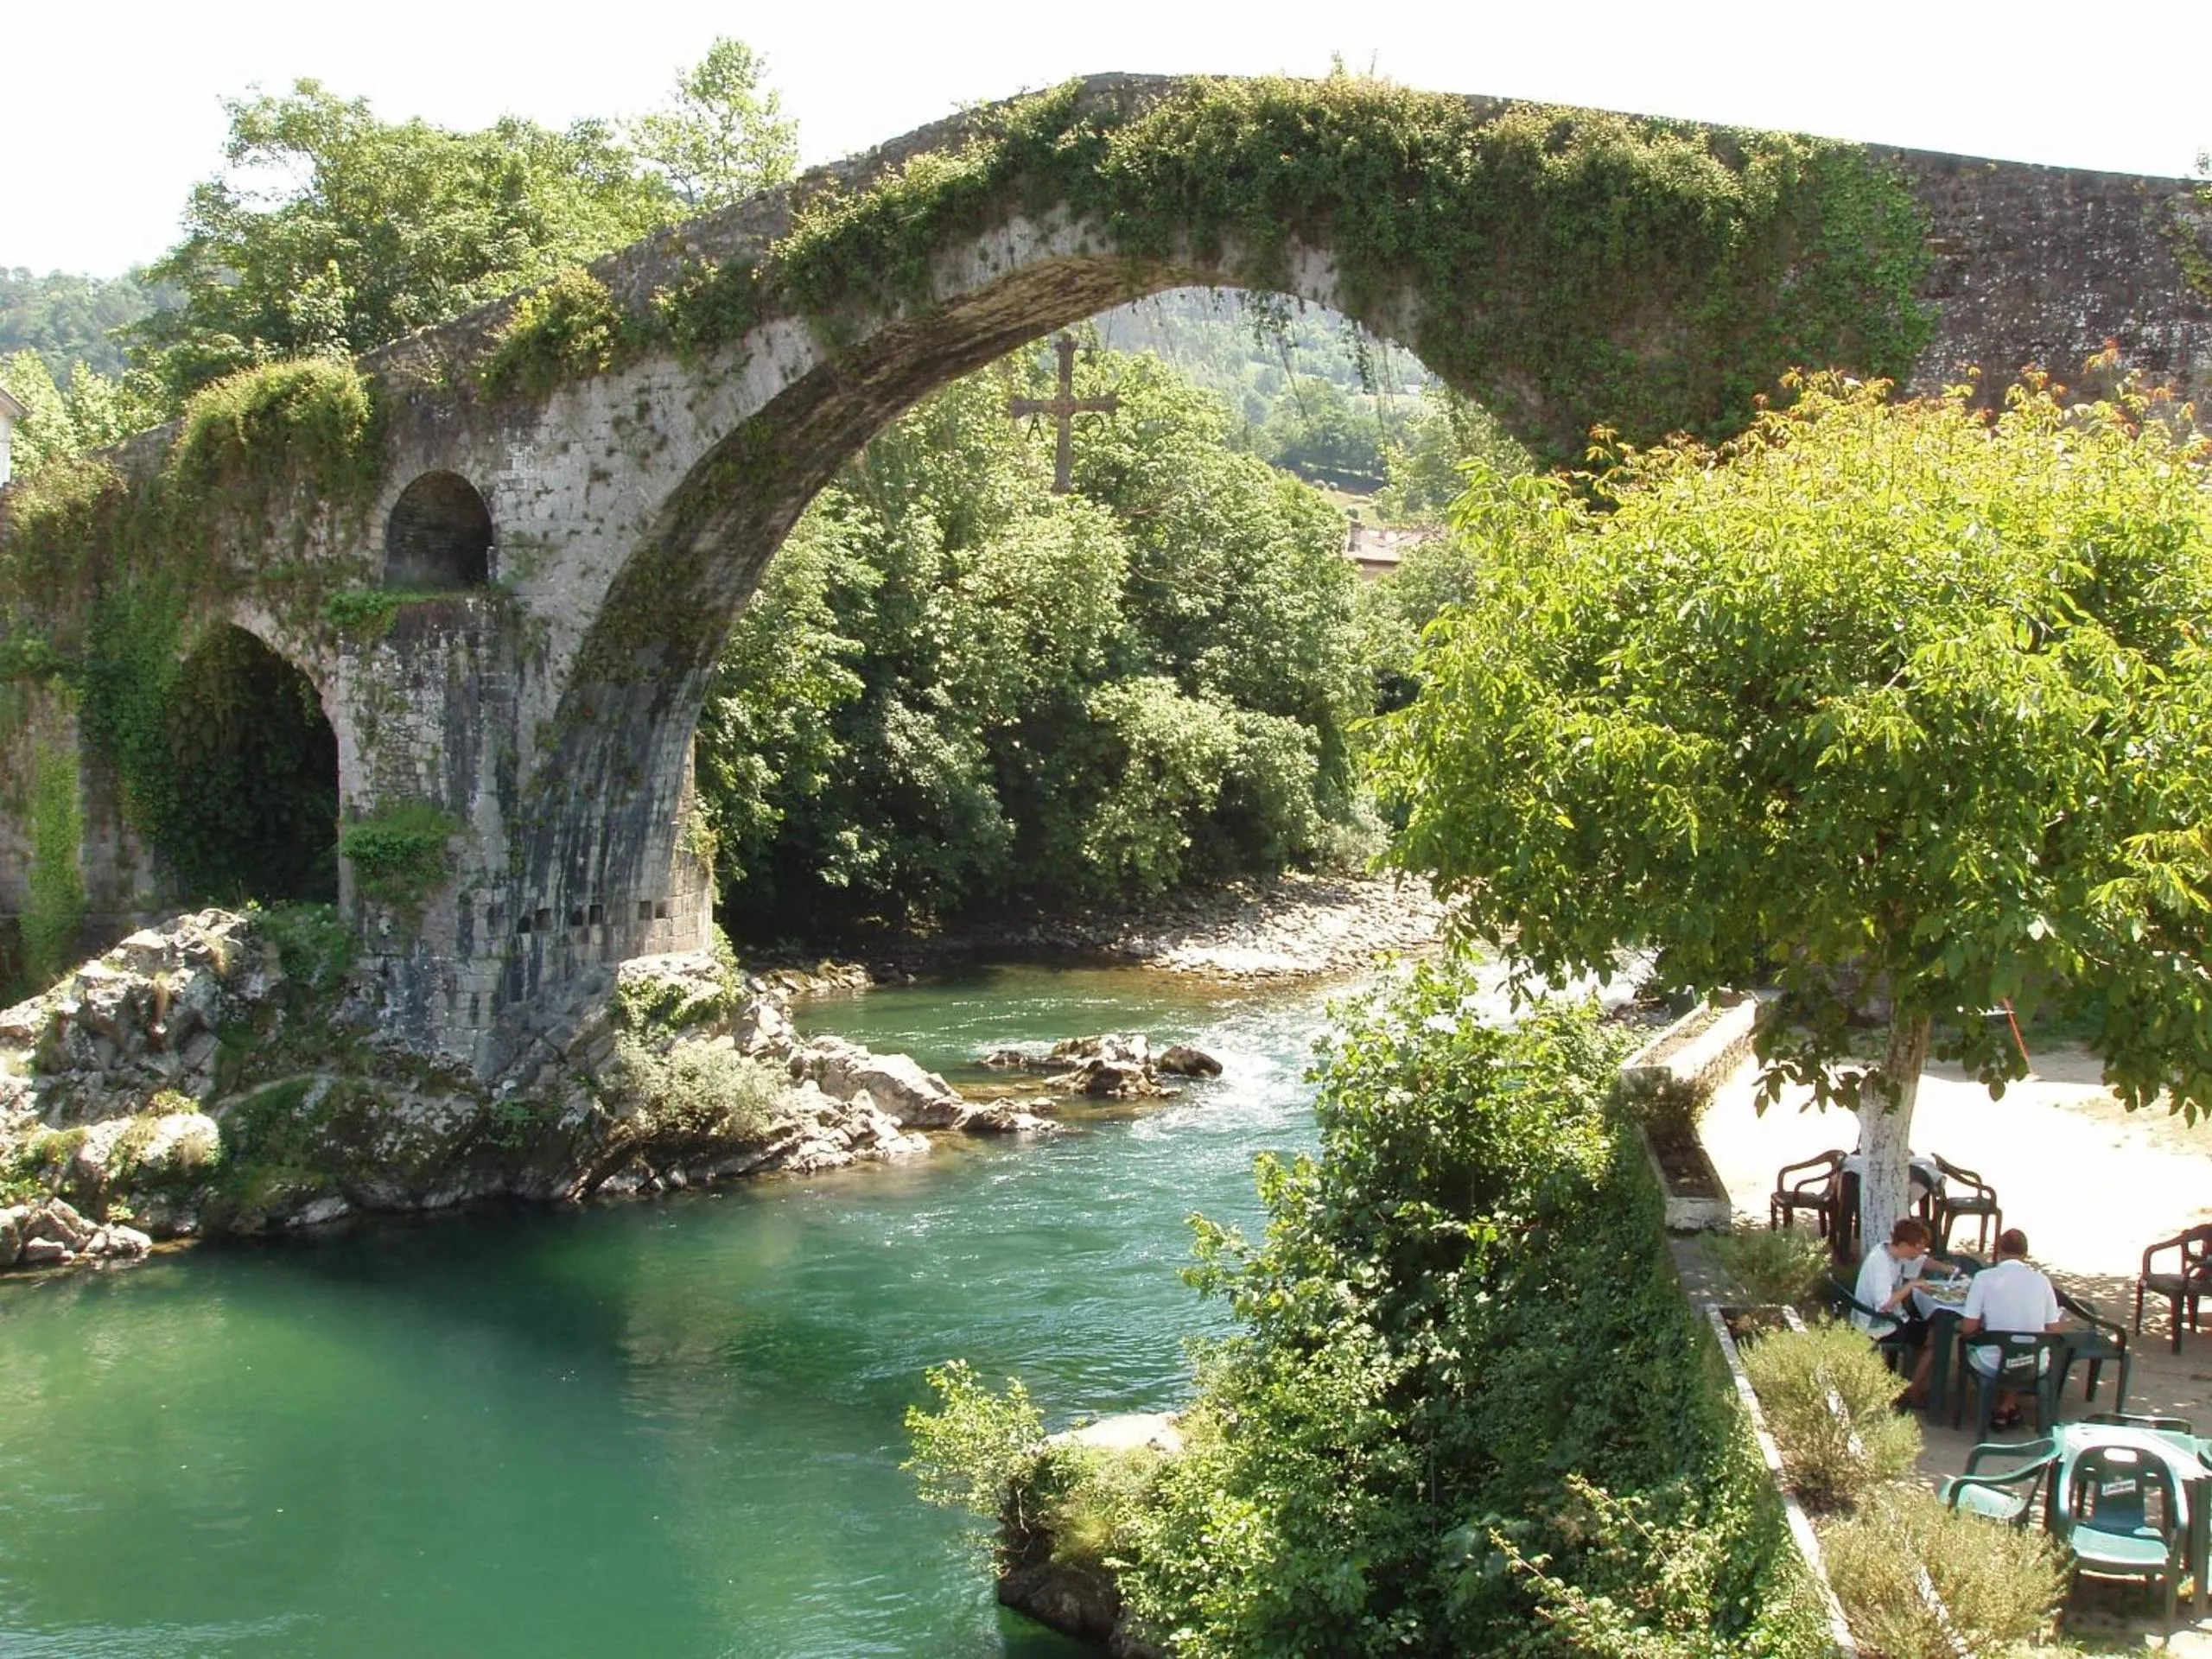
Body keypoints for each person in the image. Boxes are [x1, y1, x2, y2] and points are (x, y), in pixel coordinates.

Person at [1959, 1227, 2065, 1428]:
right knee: (2020, 1349)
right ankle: (2008, 1406)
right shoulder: (2042, 1281)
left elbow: (1967, 1328)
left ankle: (2004, 1407)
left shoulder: (1984, 1278)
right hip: (2034, 1361)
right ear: (2025, 1254)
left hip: (1993, 1360)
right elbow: (2055, 1329)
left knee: (1992, 1347)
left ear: (1998, 1250)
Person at [1853, 1215, 1939, 1405]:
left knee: (1924, 1328)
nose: (1919, 1254)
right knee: (1936, 1338)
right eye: (1916, 1249)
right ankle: (1914, 1390)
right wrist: (1911, 1286)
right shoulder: (1881, 1263)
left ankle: (1907, 1380)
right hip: (1878, 1325)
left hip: (1887, 1318)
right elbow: (1884, 1304)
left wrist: (1948, 1269)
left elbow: (1921, 1261)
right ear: (1904, 1245)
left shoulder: (1890, 1251)